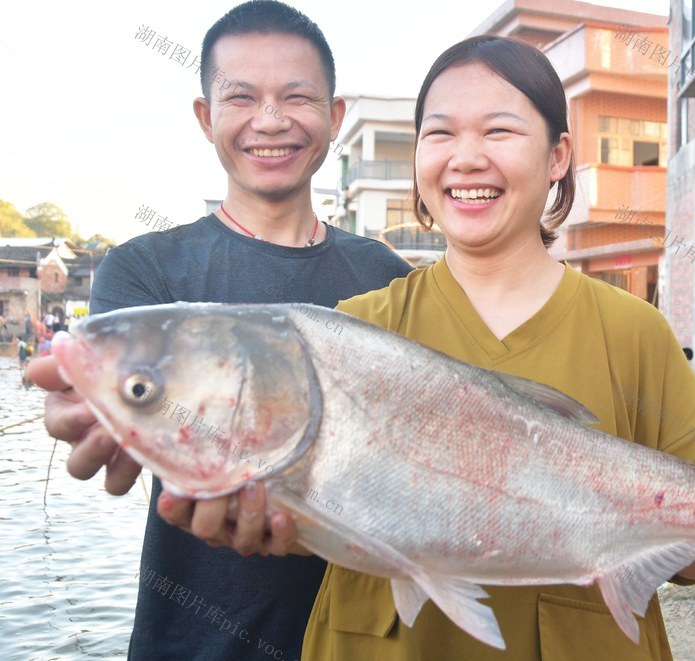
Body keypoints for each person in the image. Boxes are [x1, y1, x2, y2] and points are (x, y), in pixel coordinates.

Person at [155, 35, 695, 661]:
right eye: (440, 134)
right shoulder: (357, 328)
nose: (465, 158)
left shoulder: (635, 331)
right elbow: (315, 521)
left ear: (559, 155)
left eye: (499, 132)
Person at [26, 2, 411, 659]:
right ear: (206, 117)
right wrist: (94, 410)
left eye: (296, 96)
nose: (270, 120)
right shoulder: (144, 271)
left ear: (335, 116)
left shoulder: (388, 277)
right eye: (242, 97)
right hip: (188, 641)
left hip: (358, 638)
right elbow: (110, 392)